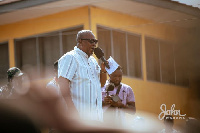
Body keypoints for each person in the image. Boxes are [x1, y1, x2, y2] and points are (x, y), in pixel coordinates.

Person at [58, 30, 107, 121]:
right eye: (91, 41)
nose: (94, 44)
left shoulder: (93, 61)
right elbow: (62, 82)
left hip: (96, 119)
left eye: (95, 42)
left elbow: (101, 84)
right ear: (80, 41)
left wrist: (103, 71)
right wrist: (71, 109)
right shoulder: (71, 57)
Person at [101, 57, 136, 126]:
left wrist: (121, 105)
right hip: (103, 125)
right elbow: (92, 106)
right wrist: (104, 102)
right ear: (109, 75)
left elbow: (133, 111)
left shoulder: (127, 89)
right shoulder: (102, 87)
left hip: (120, 126)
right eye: (115, 76)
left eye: (120, 76)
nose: (117, 79)